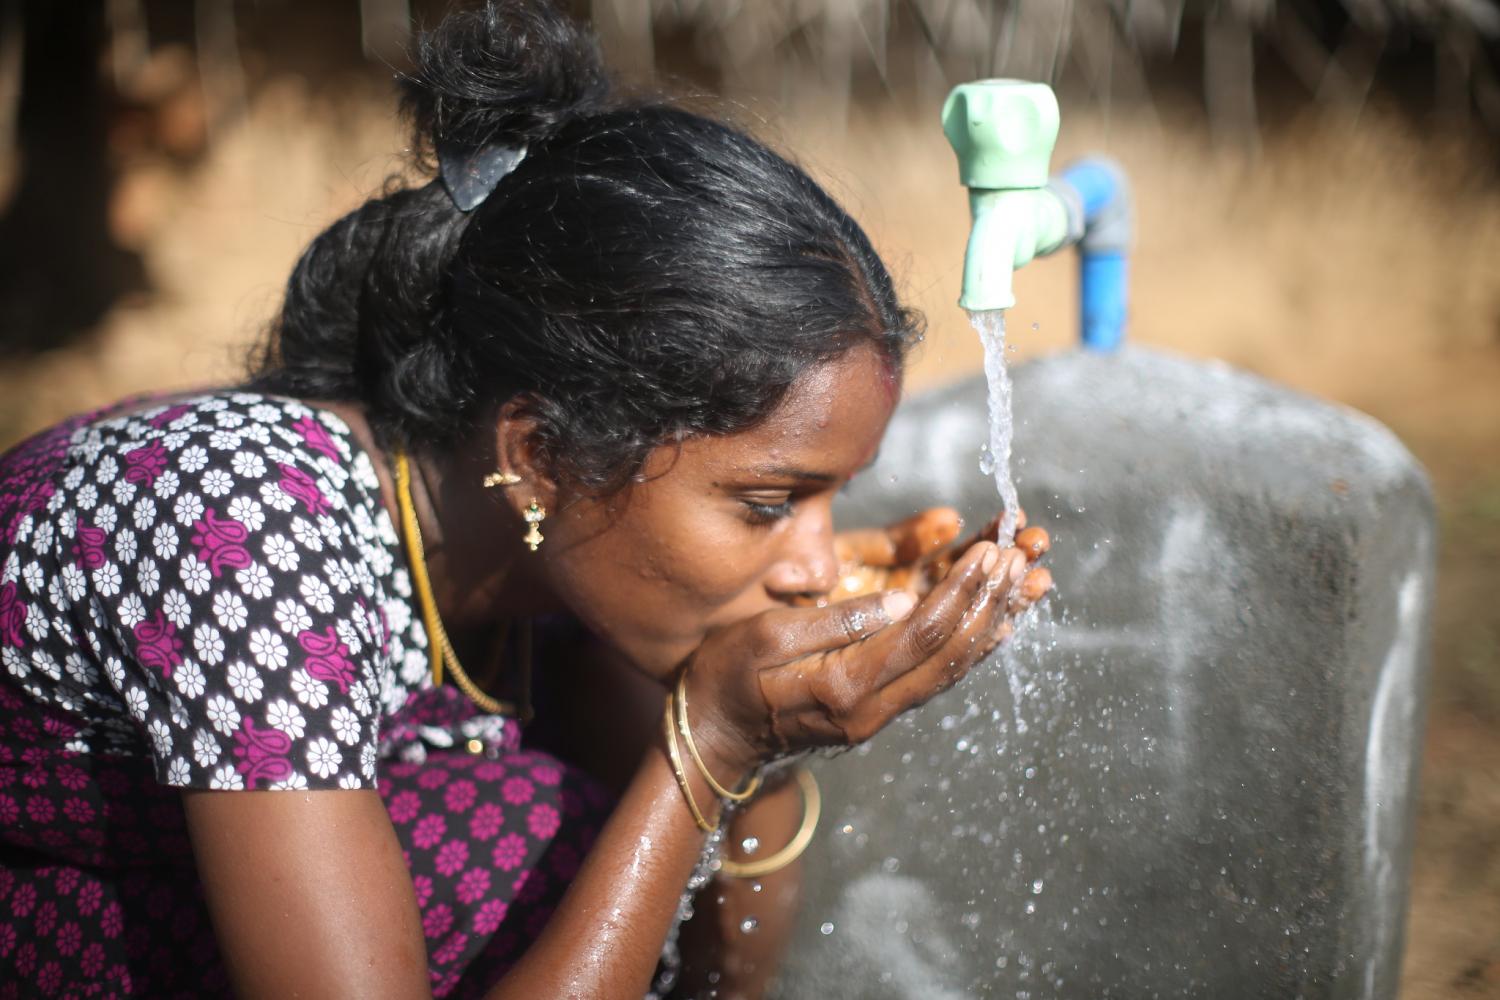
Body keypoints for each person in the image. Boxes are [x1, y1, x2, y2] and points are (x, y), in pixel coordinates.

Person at [0, 2, 1051, 996]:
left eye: (832, 499)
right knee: (518, 847)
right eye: (772, 501)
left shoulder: (550, 560)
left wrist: (764, 743)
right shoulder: (246, 529)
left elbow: (718, 974)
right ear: (542, 454)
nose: (817, 562)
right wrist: (715, 740)